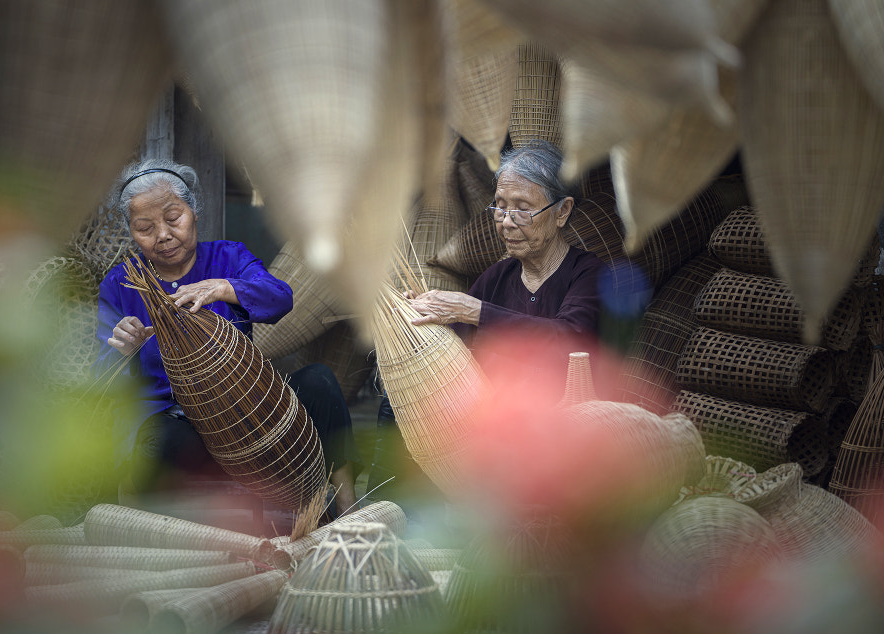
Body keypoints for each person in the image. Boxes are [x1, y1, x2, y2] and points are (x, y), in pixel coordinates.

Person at [95, 159, 359, 515]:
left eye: (173, 218)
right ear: (132, 232)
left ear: (195, 212)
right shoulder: (121, 282)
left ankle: (348, 510)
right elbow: (101, 377)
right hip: (178, 421)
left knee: (320, 383)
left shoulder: (229, 256)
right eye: (145, 227)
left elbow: (280, 298)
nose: (162, 235)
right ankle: (172, 535)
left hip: (246, 408)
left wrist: (224, 287)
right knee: (159, 443)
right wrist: (123, 349)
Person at [367, 140, 609, 501]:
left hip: (557, 432)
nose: (506, 222)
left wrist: (473, 310)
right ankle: (383, 509)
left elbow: (570, 340)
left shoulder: (587, 274)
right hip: (488, 429)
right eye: (500, 207)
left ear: (562, 212)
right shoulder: (496, 278)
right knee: (397, 403)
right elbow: (457, 350)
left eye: (523, 209)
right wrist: (418, 320)